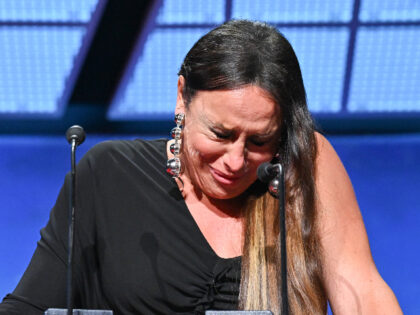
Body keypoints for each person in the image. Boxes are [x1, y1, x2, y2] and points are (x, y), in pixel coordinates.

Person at [0, 20, 402, 315]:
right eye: (221, 134)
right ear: (182, 98)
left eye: (259, 141)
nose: (235, 161)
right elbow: (30, 307)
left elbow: (362, 293)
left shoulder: (302, 164)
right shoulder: (108, 175)